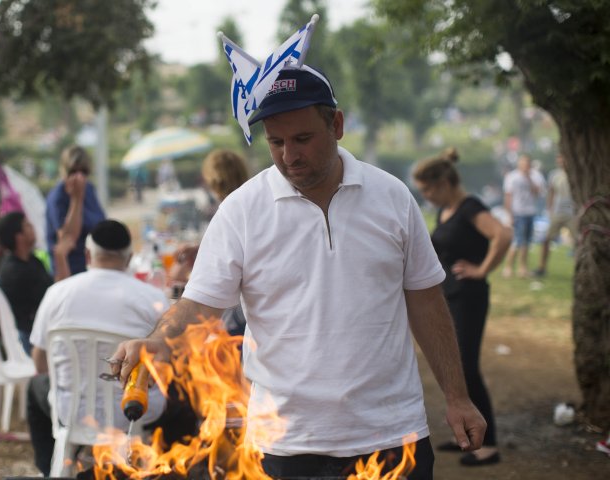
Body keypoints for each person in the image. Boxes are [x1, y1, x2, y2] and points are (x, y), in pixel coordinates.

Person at [111, 64, 486, 479]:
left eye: (303, 139)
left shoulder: (393, 198)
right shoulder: (241, 210)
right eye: (276, 142)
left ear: (336, 125)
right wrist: (158, 340)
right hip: (286, 440)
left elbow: (427, 301)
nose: (289, 156)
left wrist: (458, 397)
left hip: (392, 435)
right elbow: (199, 305)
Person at [26, 220, 170, 476]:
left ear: (87, 255)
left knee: (35, 386)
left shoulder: (57, 293)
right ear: (129, 259)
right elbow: (169, 364)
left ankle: (48, 470)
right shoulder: (153, 298)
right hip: (134, 411)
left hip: (71, 412)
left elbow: (39, 362)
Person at [413, 148, 512, 466]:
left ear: (443, 183)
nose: (426, 196)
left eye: (427, 190)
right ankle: (469, 436)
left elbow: (503, 235)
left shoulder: (470, 207)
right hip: (450, 297)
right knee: (455, 366)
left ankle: (489, 445)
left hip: (469, 297)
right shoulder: (446, 210)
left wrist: (481, 270)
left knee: (467, 367)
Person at [170, 149, 250, 335]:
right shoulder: (247, 205)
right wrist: (201, 249)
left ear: (212, 181)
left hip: (236, 320)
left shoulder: (231, 212)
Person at [0, 211, 54, 355]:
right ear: (19, 237)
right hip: (31, 340)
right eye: (27, 225)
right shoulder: (15, 272)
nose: (33, 227)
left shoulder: (32, 260)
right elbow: (53, 300)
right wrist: (60, 256)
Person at [45, 145, 105, 279]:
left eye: (84, 172)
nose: (79, 177)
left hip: (94, 265)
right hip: (72, 270)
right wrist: (76, 199)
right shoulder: (58, 198)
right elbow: (68, 240)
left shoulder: (89, 189)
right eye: (73, 172)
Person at [502, 154, 546, 278]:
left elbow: (537, 193)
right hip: (517, 213)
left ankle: (523, 268)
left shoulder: (535, 176)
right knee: (517, 241)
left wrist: (529, 178)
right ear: (519, 164)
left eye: (527, 163)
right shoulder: (512, 177)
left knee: (527, 242)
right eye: (523, 163)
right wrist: (509, 215)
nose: (525, 166)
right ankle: (508, 267)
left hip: (530, 212)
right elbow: (508, 196)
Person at [534, 154, 576, 277]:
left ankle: (579, 269)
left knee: (578, 242)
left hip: (572, 213)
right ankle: (542, 267)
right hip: (557, 212)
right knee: (547, 240)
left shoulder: (575, 174)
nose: (560, 160)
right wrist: (549, 210)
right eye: (559, 158)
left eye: (562, 158)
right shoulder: (554, 174)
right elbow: (551, 192)